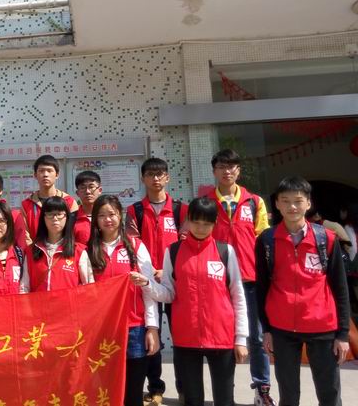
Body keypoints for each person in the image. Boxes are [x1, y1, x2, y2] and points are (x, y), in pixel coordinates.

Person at [256, 176, 351, 406]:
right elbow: (262, 288)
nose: (292, 206)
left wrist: (342, 334)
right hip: (282, 328)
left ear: (308, 203)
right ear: (277, 204)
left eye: (298, 201)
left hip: (322, 326)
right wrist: (266, 329)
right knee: (288, 394)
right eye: (285, 201)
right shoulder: (267, 241)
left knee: (329, 393)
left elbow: (340, 289)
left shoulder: (326, 239)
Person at [147, 197, 249, 406]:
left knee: (224, 399)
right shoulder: (173, 251)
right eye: (196, 222)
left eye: (207, 223)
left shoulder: (225, 251)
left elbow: (238, 295)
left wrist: (241, 339)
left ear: (215, 223)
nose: (201, 228)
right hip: (186, 337)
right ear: (187, 220)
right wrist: (147, 284)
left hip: (221, 336)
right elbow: (169, 293)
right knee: (192, 399)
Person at [207, 149, 273, 405]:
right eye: (222, 166)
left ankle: (262, 389)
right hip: (218, 282)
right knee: (223, 338)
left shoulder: (254, 201)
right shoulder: (205, 203)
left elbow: (264, 239)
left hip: (250, 280)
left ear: (238, 170)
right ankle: (226, 393)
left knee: (256, 338)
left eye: (232, 166)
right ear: (214, 171)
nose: (227, 171)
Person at [125, 157, 188, 405]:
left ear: (167, 177)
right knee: (151, 334)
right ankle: (154, 387)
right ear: (143, 178)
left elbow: (185, 244)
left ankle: (184, 388)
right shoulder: (135, 210)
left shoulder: (181, 209)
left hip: (175, 281)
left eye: (160, 174)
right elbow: (133, 243)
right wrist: (152, 272)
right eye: (150, 174)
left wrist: (166, 270)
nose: (156, 178)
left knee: (180, 336)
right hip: (147, 282)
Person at [87, 195, 160, 406]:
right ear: (95, 219)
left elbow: (148, 291)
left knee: (133, 391)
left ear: (120, 216)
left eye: (112, 214)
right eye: (102, 215)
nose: (107, 219)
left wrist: (152, 328)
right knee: (104, 390)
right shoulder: (87, 250)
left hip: (134, 328)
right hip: (101, 330)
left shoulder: (136, 247)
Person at [19, 196, 92, 292]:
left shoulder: (79, 251)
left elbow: (89, 287)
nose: (55, 218)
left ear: (66, 217)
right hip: (39, 302)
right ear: (43, 218)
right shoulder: (31, 251)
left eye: (59, 214)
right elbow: (24, 288)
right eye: (50, 214)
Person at [21, 155, 78, 246]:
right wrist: (35, 251)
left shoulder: (69, 202)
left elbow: (74, 231)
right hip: (35, 252)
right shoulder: (26, 204)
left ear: (57, 175)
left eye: (49, 171)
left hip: (63, 251)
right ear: (35, 175)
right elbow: (25, 236)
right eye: (41, 171)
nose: (45, 174)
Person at [72, 170, 102, 245]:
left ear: (100, 190)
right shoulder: (71, 219)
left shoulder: (109, 216)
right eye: (83, 188)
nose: (88, 191)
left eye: (91, 187)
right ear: (77, 193)